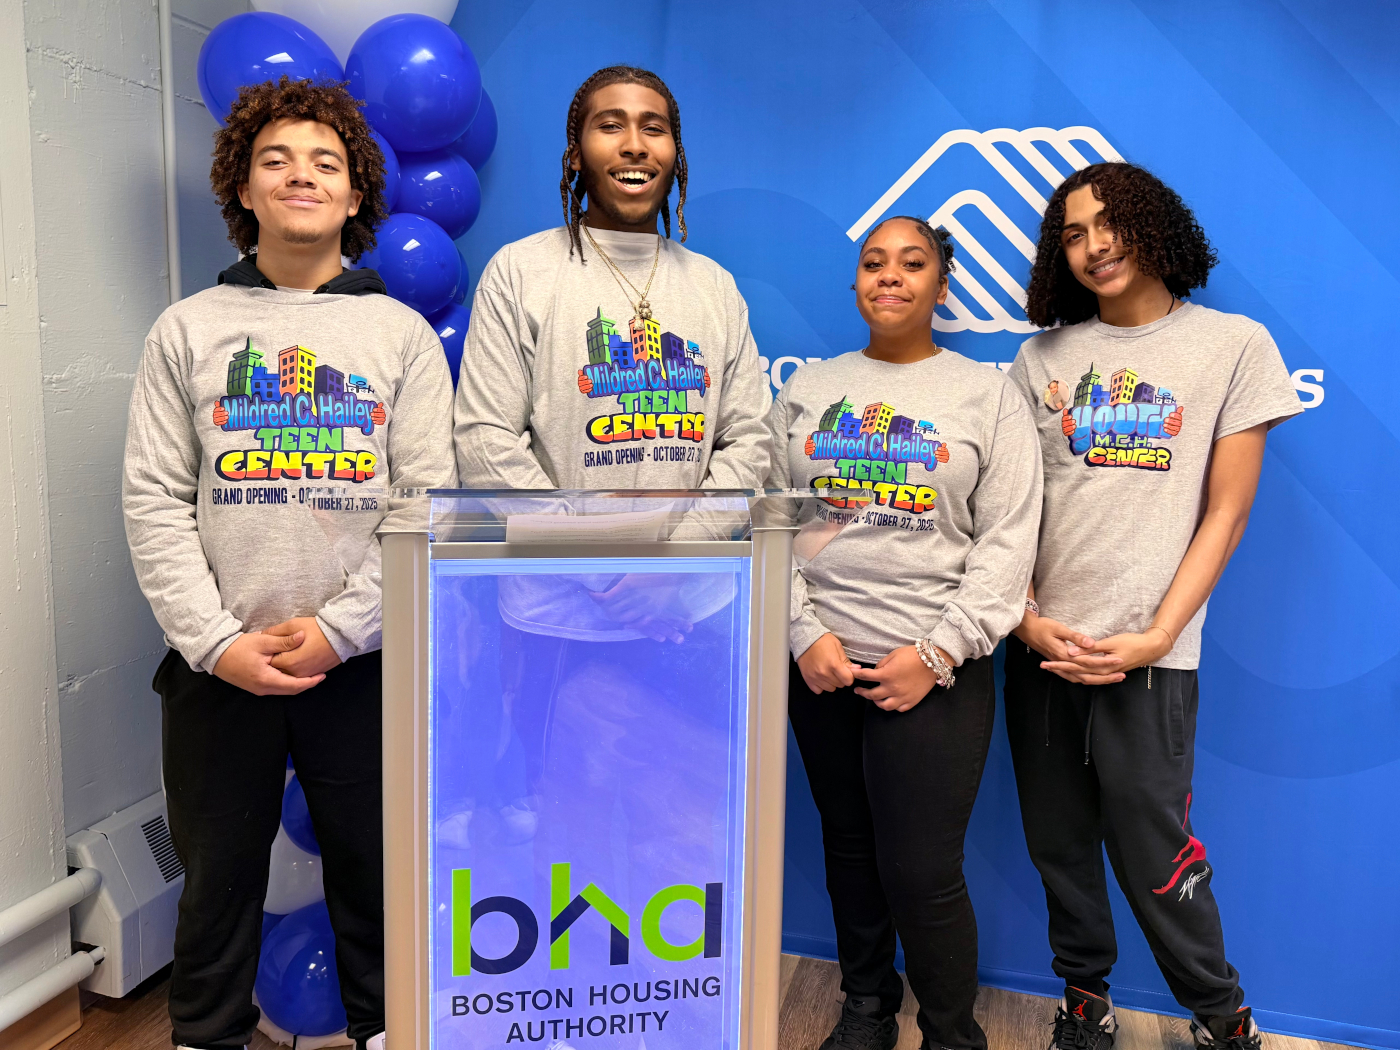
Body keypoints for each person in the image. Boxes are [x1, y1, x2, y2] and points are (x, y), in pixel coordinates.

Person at [122, 77, 456, 1050]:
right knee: (216, 885)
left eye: (325, 162)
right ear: (243, 189)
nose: (301, 175)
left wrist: (344, 628)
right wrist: (217, 643)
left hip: (361, 665)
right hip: (219, 670)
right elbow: (152, 499)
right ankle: (206, 1035)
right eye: (276, 159)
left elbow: (425, 510)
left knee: (377, 877)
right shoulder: (185, 332)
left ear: (356, 197)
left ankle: (387, 1031)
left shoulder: (395, 336)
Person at [1004, 162, 1303, 1050]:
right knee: (1058, 845)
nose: (1093, 246)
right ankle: (1084, 1004)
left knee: (1157, 857)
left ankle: (1222, 1017)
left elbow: (1228, 510)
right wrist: (1023, 617)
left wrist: (1156, 636)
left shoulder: (1233, 346)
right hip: (1044, 648)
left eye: (1110, 223)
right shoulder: (1041, 359)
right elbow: (1012, 511)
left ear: (1153, 224)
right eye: (1072, 233)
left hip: (1151, 658)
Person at [447, 66, 772, 845]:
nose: (634, 144)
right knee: (564, 830)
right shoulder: (521, 272)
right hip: (561, 615)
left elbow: (751, 441)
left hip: (690, 614)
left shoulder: (715, 288)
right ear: (575, 152)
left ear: (677, 151)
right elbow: (486, 441)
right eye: (609, 124)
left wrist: (673, 566)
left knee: (681, 834)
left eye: (654, 126)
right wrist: (600, 562)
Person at [768, 216, 1042, 1050]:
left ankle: (954, 1035)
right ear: (856, 283)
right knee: (849, 850)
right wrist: (800, 633)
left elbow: (1008, 541)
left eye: (912, 263)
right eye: (873, 262)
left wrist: (935, 654)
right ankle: (865, 1009)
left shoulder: (987, 395)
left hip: (934, 671)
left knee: (921, 873)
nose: (890, 276)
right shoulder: (810, 390)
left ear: (941, 285)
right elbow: (775, 525)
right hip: (821, 667)